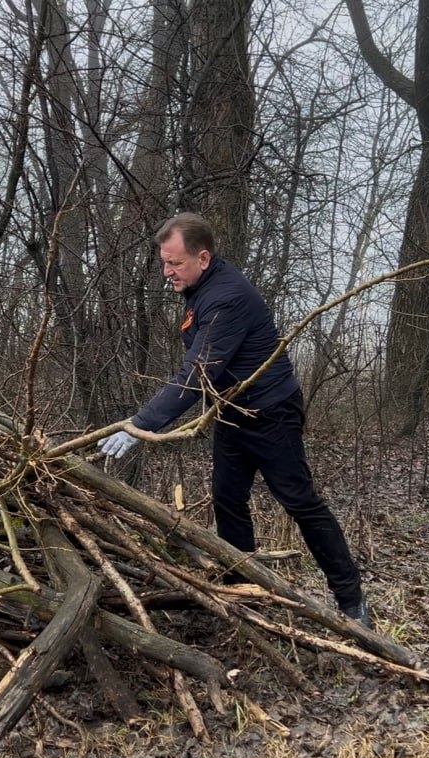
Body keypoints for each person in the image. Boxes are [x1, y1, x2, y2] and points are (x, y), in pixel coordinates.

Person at [98, 213, 370, 628]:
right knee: (228, 497)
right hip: (231, 410)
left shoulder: (227, 297)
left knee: (299, 502)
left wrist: (142, 425)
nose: (166, 272)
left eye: (175, 263)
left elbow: (196, 373)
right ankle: (242, 587)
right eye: (164, 262)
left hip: (270, 411)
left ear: (203, 258)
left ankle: (352, 602)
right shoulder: (202, 288)